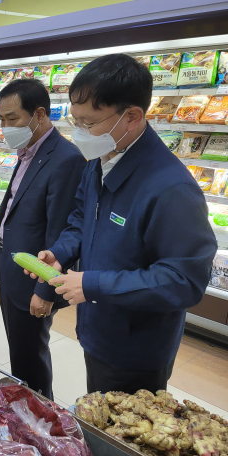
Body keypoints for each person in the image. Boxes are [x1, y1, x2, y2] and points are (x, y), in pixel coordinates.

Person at [26, 54, 217, 394]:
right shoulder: (102, 157)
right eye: (75, 121)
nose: (79, 134)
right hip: (97, 329)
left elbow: (183, 281)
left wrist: (94, 284)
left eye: (89, 124)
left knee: (122, 439)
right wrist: (60, 253)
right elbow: (82, 219)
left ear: (131, 117)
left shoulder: (172, 189)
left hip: (137, 349)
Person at [0, 79, 86, 399]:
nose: (5, 126)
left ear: (39, 114)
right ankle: (24, 410)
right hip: (11, 267)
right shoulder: (28, 149)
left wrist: (45, 288)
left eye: (12, 118)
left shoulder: (66, 158)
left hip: (33, 275)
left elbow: (60, 229)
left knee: (30, 357)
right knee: (20, 352)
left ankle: (40, 420)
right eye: (1, 119)